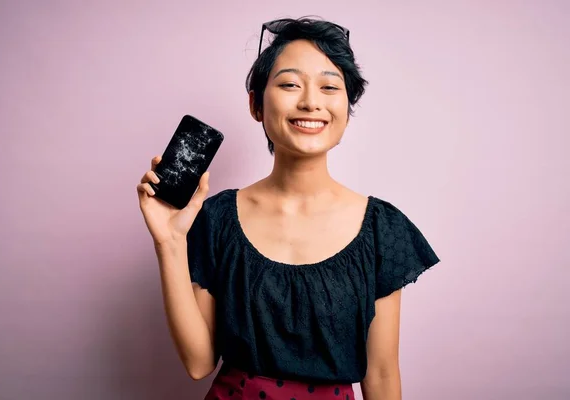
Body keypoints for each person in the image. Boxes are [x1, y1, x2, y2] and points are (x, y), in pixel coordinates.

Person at [137, 17, 440, 400]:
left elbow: (380, 374)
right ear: (256, 104)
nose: (311, 101)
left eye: (330, 87)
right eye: (290, 84)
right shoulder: (215, 219)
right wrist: (169, 242)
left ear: (348, 108)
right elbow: (198, 363)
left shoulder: (382, 228)